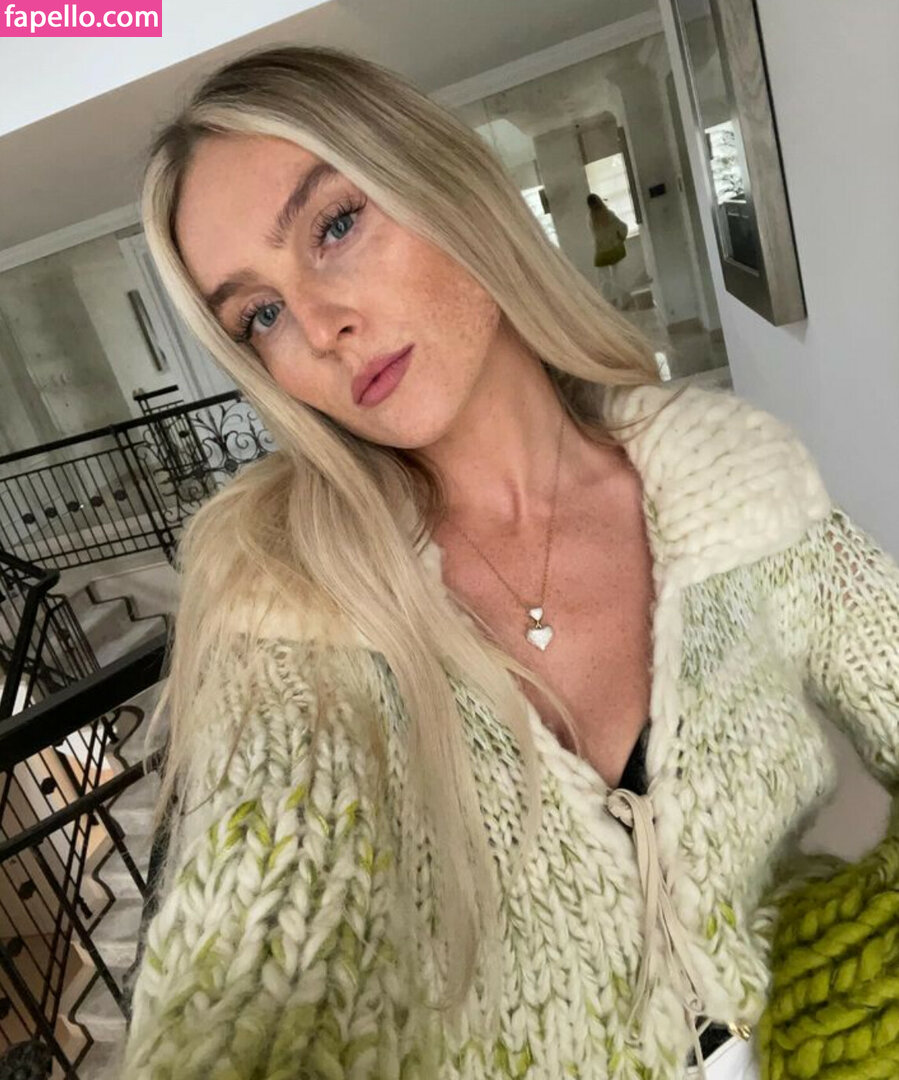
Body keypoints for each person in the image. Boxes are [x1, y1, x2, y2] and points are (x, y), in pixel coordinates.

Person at [117, 44, 899, 1080]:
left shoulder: (733, 478)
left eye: (334, 226)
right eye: (258, 315)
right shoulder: (289, 600)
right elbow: (249, 969)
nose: (320, 328)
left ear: (444, 186)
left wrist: (851, 994)